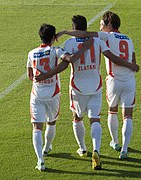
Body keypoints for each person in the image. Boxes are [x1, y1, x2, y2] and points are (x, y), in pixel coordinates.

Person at [36, 15, 138, 169]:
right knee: (95, 119)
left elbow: (66, 62)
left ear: (74, 27)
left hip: (77, 87)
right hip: (96, 85)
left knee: (77, 118)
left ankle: (83, 147)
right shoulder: (98, 41)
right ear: (85, 26)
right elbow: (111, 56)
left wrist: (47, 75)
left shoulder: (69, 42)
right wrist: (131, 65)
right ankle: (97, 149)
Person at [27, 23, 92, 171]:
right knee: (51, 122)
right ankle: (47, 146)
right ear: (53, 37)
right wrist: (85, 48)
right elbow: (70, 59)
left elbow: (30, 76)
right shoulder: (55, 50)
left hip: (37, 94)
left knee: (37, 127)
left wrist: (41, 78)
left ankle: (40, 160)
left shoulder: (31, 53)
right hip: (53, 93)